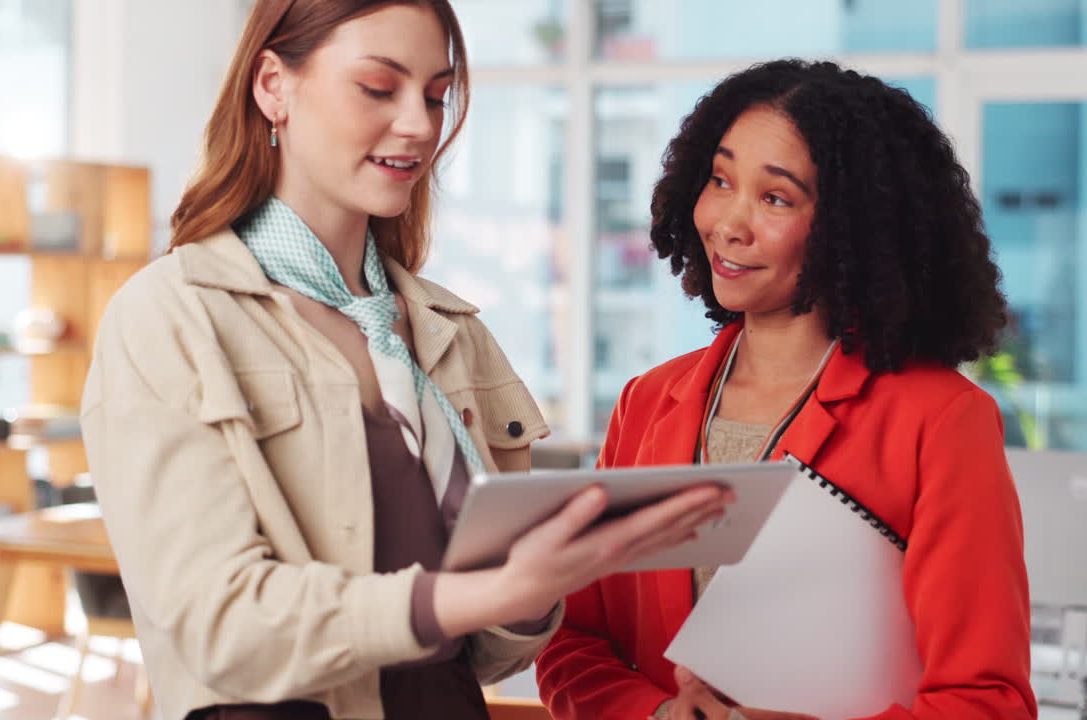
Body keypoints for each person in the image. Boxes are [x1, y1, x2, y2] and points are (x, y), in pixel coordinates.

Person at [80, 2, 730, 719]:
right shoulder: (172, 317)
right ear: (272, 86)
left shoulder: (450, 332)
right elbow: (220, 627)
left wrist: (539, 585)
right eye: (378, 88)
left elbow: (488, 652)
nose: (420, 125)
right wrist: (490, 591)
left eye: (436, 95)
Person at [535, 59, 1038, 720]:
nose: (729, 223)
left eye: (775, 198)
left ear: (850, 228)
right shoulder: (647, 402)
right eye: (721, 181)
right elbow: (573, 641)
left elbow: (987, 701)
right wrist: (655, 715)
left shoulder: (940, 418)